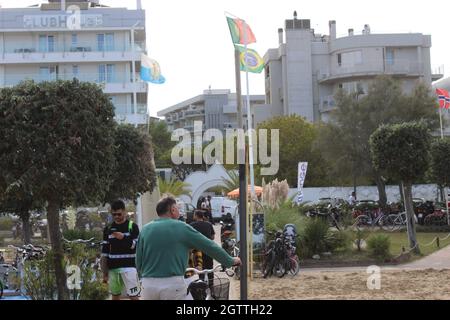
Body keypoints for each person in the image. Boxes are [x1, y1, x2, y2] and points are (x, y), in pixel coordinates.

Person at [136, 196, 241, 300]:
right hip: (172, 285)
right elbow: (209, 246)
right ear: (172, 210)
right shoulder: (181, 227)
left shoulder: (145, 229)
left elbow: (138, 260)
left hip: (147, 285)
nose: (179, 211)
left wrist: (144, 278)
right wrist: (230, 260)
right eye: (177, 208)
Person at [101, 200, 140, 300]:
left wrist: (122, 237)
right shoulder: (108, 228)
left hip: (129, 267)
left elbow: (136, 246)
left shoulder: (132, 227)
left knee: (134, 296)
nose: (116, 217)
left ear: (124, 212)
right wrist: (104, 272)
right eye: (114, 214)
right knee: (115, 296)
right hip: (113, 268)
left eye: (119, 214)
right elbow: (105, 251)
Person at [190, 210, 215, 283]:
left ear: (196, 216)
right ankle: (211, 286)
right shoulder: (209, 224)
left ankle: (202, 286)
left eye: (194, 214)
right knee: (210, 268)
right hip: (209, 250)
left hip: (198, 251)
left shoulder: (192, 225)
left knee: (200, 269)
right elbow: (213, 237)